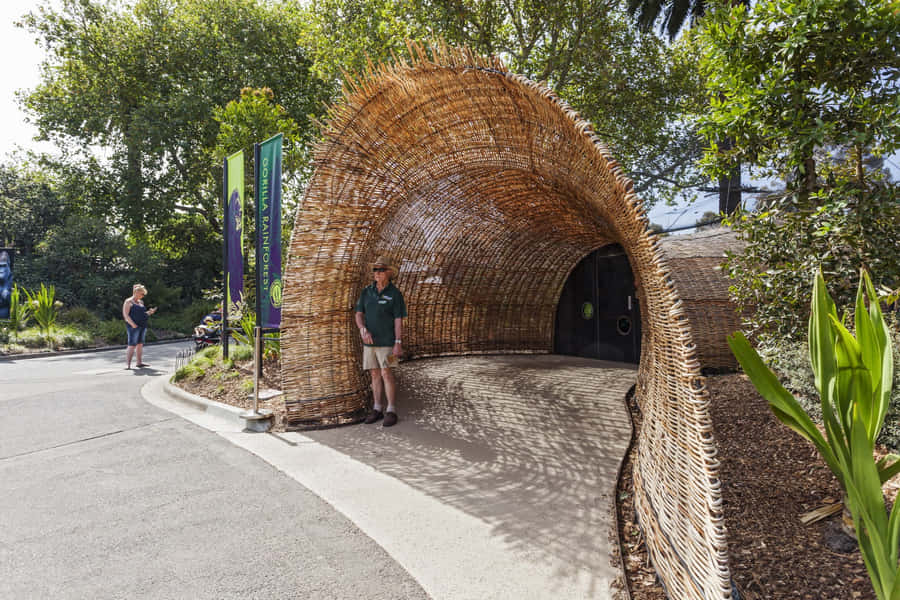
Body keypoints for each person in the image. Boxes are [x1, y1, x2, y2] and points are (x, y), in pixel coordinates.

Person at [355, 256, 407, 427]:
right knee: (375, 373)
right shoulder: (366, 292)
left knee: (387, 373)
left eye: (381, 270)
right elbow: (358, 314)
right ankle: (377, 408)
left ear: (389, 273)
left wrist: (398, 342)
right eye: (375, 270)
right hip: (370, 343)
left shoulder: (395, 294)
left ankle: (391, 410)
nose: (377, 273)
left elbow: (398, 320)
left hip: (389, 343)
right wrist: (362, 329)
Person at [122, 284, 157, 369]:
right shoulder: (128, 301)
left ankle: (139, 363)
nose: (143, 296)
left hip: (143, 325)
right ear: (136, 292)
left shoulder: (141, 302)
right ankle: (128, 365)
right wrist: (133, 324)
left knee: (140, 344)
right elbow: (126, 315)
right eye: (142, 294)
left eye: (143, 294)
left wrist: (150, 312)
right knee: (132, 344)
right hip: (133, 326)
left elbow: (143, 315)